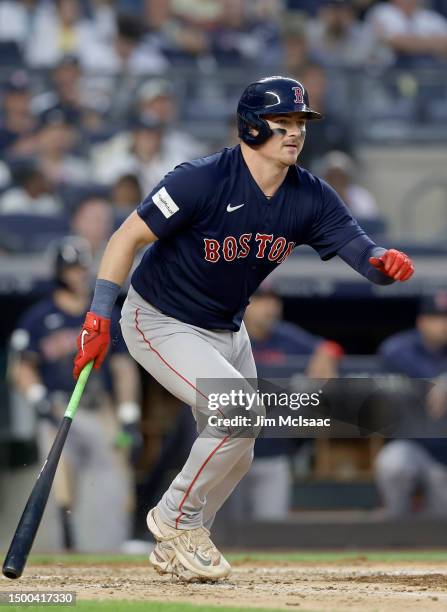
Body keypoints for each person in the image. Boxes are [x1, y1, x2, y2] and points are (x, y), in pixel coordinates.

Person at [72, 76, 414, 582]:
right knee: (238, 413)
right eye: (284, 123)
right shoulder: (201, 179)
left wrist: (382, 263)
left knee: (244, 441)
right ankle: (174, 519)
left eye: (300, 123)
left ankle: (180, 542)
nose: (295, 132)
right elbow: (127, 236)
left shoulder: (309, 195)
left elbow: (360, 252)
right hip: (159, 318)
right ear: (252, 127)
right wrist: (98, 314)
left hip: (226, 329)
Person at [10, 236, 141, 551]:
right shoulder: (39, 316)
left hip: (100, 409)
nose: (78, 274)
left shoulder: (106, 313)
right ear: (58, 272)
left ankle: (107, 552)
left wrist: (128, 412)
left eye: (81, 267)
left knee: (112, 483)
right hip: (57, 411)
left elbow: (124, 367)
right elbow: (21, 367)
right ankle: (61, 553)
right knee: (58, 488)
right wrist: (36, 397)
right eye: (71, 268)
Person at [375, 292, 447, 517]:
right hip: (413, 446)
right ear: (422, 321)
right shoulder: (399, 348)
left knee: (439, 524)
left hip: (443, 458)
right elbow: (419, 374)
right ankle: (395, 526)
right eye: (437, 318)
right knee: (392, 464)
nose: (444, 324)